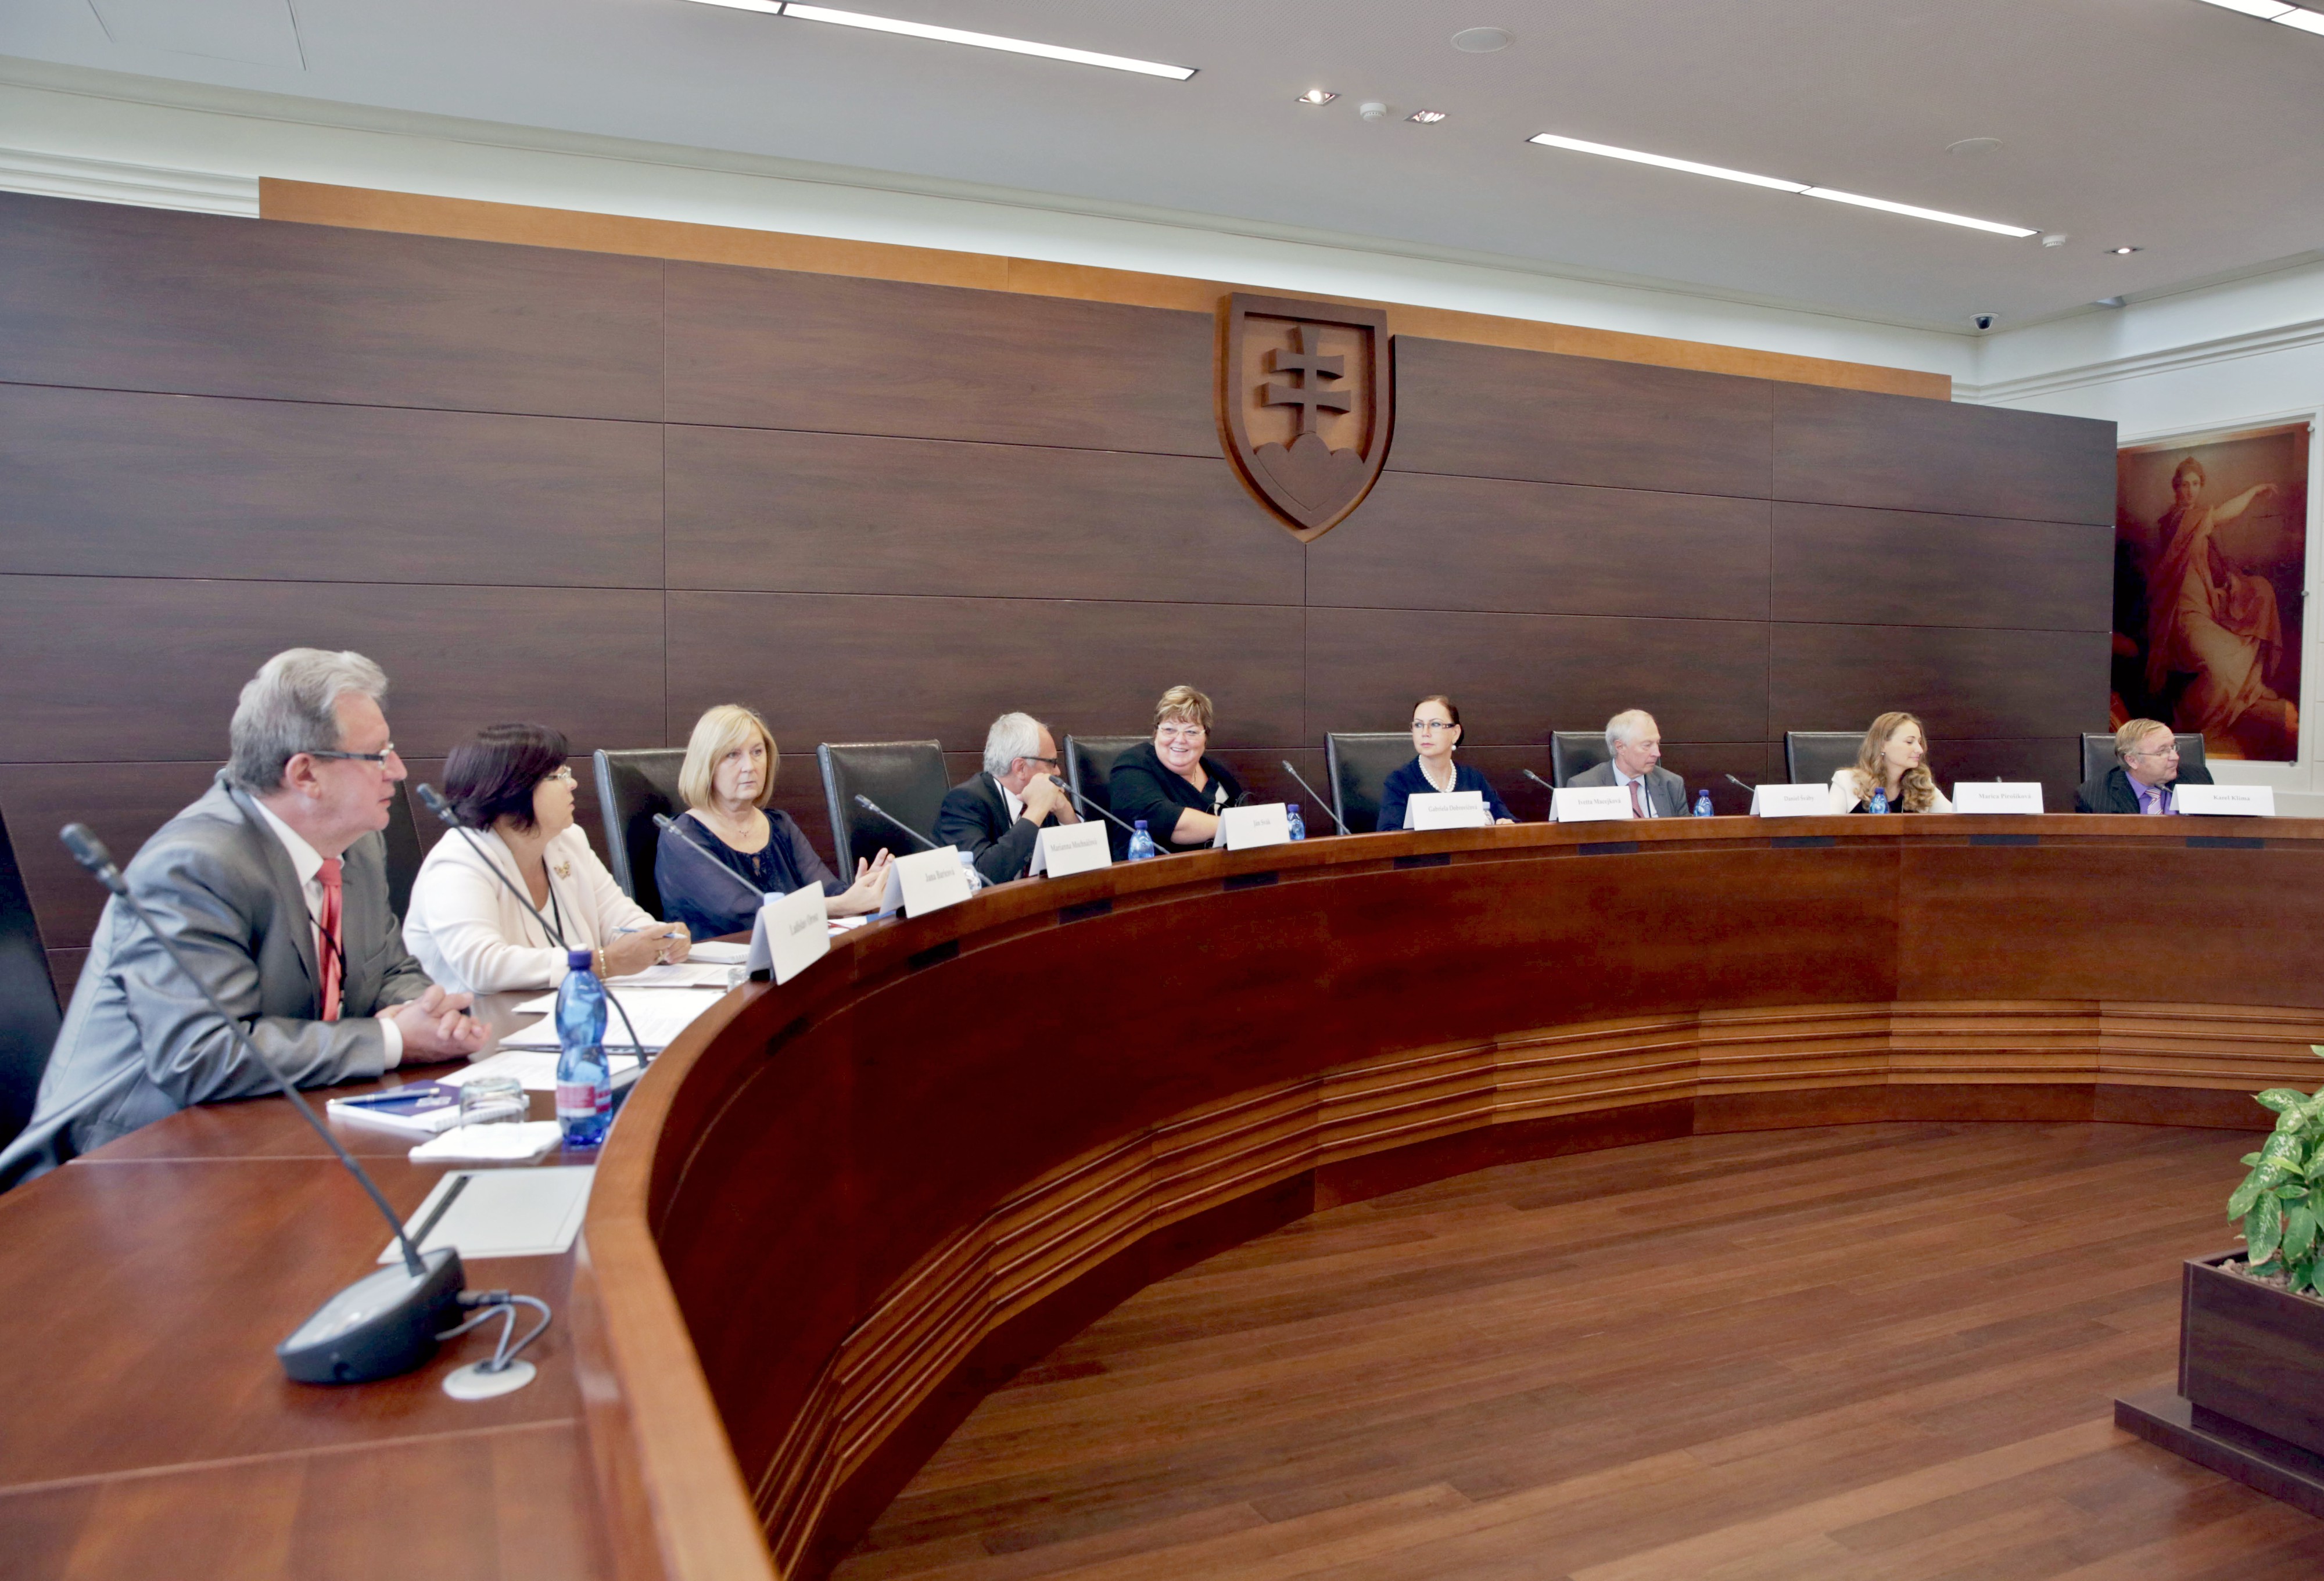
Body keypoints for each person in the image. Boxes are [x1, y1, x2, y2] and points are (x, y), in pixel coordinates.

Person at [0, 649, 485, 1187]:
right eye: (378, 755)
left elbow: (388, 969)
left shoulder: (358, 845)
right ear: (306, 774)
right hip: (123, 1164)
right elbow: (203, 1055)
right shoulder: (193, 866)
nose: (398, 770)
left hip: (273, 1125)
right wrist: (392, 1040)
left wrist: (430, 1015)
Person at [404, 724, 688, 1009]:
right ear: (513, 789)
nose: (572, 783)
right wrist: (606, 962)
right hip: (479, 1023)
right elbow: (483, 966)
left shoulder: (568, 841)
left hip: (562, 1012)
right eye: (559, 775)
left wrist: (660, 939)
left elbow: (619, 918)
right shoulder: (458, 860)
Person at [654, 704, 891, 940]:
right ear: (706, 764)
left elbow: (827, 890)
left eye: (757, 752)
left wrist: (865, 891)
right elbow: (741, 912)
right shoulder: (682, 837)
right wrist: (841, 904)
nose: (750, 767)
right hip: (719, 961)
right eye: (733, 755)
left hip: (792, 955)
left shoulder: (779, 825)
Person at [2143, 458, 2294, 757]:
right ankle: (2191, 726)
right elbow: (2223, 514)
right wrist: (2254, 491)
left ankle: (2247, 692)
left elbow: (2211, 568)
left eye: (2195, 484)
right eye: (2184, 485)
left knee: (2260, 590)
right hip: (2182, 615)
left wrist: (2229, 585)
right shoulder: (2176, 521)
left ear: (2201, 487)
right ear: (2176, 489)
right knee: (2221, 667)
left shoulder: (2196, 524)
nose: (2190, 491)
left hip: (2203, 607)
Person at [935, 713, 1080, 883]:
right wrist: (1036, 811)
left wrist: (1066, 814)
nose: (1057, 772)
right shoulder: (965, 802)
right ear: (1020, 768)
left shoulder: (1045, 797)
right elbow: (981, 877)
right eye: (1051, 763)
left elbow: (1084, 864)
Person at [1105, 685, 1247, 849]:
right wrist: (1237, 826)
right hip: (1157, 865)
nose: (1180, 739)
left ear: (1205, 738)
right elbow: (1171, 825)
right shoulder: (1132, 765)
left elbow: (1244, 815)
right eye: (1170, 730)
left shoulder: (1215, 771)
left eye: (1191, 732)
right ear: (1156, 733)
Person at [1375, 695, 1514, 832]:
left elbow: (1509, 823)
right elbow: (1388, 835)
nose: (1425, 732)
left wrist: (1505, 825)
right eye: (1418, 725)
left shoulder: (1473, 779)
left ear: (1455, 733)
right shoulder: (1399, 781)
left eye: (1435, 724)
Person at [2075, 718, 2216, 814]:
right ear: (2132, 761)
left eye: (2173, 747)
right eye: (2162, 752)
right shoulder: (2094, 797)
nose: (2175, 757)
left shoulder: (2198, 778)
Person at [1567, 709, 1688, 818]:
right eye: (1647, 745)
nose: (1657, 753)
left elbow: (1686, 833)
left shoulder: (1672, 784)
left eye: (1657, 743)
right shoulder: (1583, 788)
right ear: (1620, 747)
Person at [1829, 712, 1954, 814]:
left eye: (1920, 742)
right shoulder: (1846, 781)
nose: (1920, 750)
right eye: (1909, 742)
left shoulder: (1922, 784)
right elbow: (1827, 829)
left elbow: (1957, 821)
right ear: (1882, 745)